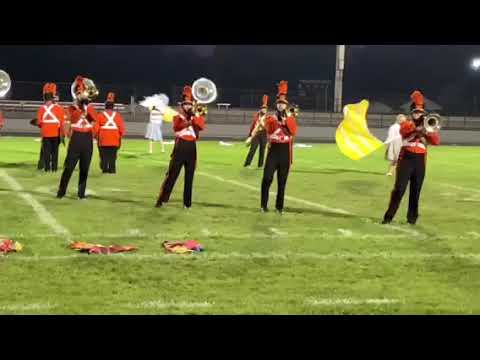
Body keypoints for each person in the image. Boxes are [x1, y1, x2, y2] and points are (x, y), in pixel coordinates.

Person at [382, 90, 440, 225]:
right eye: (415, 112)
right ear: (411, 113)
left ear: (424, 113)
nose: (418, 114)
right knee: (399, 189)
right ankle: (388, 217)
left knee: (416, 190)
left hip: (420, 160)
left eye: (420, 112)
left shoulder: (428, 125)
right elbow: (405, 131)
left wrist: (426, 130)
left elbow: (436, 141)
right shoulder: (407, 123)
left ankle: (412, 219)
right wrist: (418, 128)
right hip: (406, 158)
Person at [155, 85, 205, 209]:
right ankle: (162, 199)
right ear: (182, 105)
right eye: (186, 104)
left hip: (191, 147)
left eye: (190, 104)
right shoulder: (178, 116)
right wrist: (190, 119)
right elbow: (177, 127)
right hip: (180, 146)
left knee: (189, 176)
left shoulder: (196, 115)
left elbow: (201, 126)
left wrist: (197, 115)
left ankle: (187, 203)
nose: (188, 106)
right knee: (172, 175)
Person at [57, 76, 98, 199]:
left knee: (84, 169)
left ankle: (81, 193)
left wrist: (86, 109)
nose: (85, 95)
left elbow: (94, 122)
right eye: (81, 93)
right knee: (69, 168)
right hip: (76, 139)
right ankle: (61, 192)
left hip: (87, 139)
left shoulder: (90, 108)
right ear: (76, 94)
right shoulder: (71, 108)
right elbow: (67, 122)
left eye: (84, 92)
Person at [261, 81, 298, 214]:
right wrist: (277, 120)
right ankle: (263, 205)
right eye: (279, 103)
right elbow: (269, 130)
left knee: (282, 182)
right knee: (267, 178)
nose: (281, 105)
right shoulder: (271, 118)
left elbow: (293, 131)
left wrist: (286, 119)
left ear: (286, 106)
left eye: (283, 104)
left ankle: (279, 207)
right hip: (274, 151)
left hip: (285, 152)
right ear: (276, 105)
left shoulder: (291, 118)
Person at [36, 83, 65, 172]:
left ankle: (47, 168)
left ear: (44, 98)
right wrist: (62, 134)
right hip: (56, 133)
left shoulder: (41, 108)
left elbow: (39, 123)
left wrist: (43, 125)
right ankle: (54, 168)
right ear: (52, 97)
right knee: (55, 152)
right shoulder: (59, 108)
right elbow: (61, 122)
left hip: (45, 133)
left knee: (46, 152)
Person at [94, 92, 126, 174]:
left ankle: (104, 169)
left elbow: (96, 128)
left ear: (105, 106)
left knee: (103, 155)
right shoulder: (118, 115)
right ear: (113, 106)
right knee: (113, 156)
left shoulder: (100, 115)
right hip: (114, 139)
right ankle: (112, 170)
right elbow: (122, 129)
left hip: (103, 139)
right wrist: (120, 137)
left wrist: (96, 136)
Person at [244, 95, 268, 168]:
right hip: (256, 134)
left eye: (265, 109)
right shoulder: (257, 116)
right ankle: (247, 163)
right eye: (263, 109)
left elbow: (268, 128)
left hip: (264, 134)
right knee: (253, 149)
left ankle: (260, 165)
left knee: (262, 150)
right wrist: (249, 136)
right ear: (260, 109)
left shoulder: (267, 117)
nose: (264, 110)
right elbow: (253, 126)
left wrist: (262, 123)